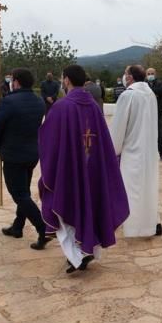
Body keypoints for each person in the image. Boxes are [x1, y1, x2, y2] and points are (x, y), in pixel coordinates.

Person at [39, 65, 130, 272]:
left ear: (67, 80)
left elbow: (49, 140)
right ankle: (87, 250)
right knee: (89, 204)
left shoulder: (62, 107)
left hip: (69, 169)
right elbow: (104, 141)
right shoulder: (93, 106)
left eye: (63, 79)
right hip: (93, 167)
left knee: (66, 204)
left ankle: (77, 255)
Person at [0, 68, 51, 249]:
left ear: (16, 82)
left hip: (13, 156)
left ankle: (43, 228)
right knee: (24, 191)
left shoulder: (9, 101)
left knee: (19, 194)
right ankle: (18, 226)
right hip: (32, 154)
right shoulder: (39, 101)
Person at [111, 65, 162, 236]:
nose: (124, 77)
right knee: (148, 186)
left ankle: (134, 226)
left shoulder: (128, 95)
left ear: (130, 77)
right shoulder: (150, 94)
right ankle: (152, 222)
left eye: (125, 74)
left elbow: (119, 126)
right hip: (149, 148)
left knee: (131, 188)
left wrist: (114, 149)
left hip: (132, 149)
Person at [146, 67, 162, 163]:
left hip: (158, 112)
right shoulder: (144, 84)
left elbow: (161, 90)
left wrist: (150, 93)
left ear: (155, 74)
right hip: (147, 112)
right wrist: (154, 93)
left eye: (152, 73)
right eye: (148, 73)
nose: (150, 75)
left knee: (160, 135)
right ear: (145, 75)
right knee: (147, 134)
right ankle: (148, 155)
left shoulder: (161, 82)